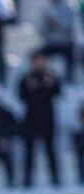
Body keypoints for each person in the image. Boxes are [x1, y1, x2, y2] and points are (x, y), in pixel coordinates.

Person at [18, 52, 63, 186]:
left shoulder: (51, 77)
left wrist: (49, 85)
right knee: (29, 152)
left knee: (50, 150)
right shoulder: (26, 78)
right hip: (30, 119)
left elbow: (58, 93)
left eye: (42, 60)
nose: (40, 63)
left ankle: (55, 179)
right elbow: (22, 96)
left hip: (48, 119)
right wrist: (32, 88)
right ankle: (27, 180)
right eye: (37, 61)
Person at [39, 0, 78, 83]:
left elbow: (70, 26)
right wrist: (47, 25)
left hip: (65, 43)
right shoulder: (45, 8)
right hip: (50, 43)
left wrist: (56, 23)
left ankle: (69, 80)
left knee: (71, 56)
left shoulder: (69, 8)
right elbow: (40, 30)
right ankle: (41, 78)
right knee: (38, 55)